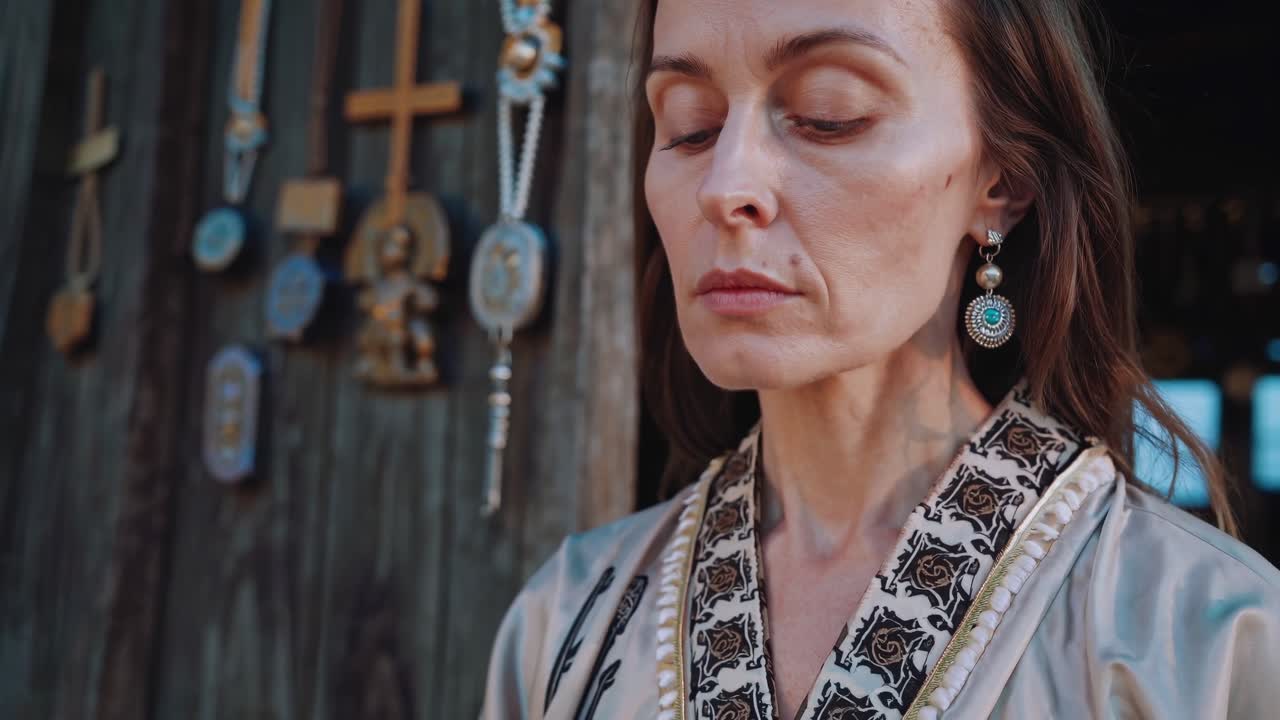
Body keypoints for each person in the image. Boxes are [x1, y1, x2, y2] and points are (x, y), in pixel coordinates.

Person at [481, 0, 1280, 717]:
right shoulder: (568, 619)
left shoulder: (1208, 637)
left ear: (1001, 179)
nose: (724, 187)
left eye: (831, 114)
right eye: (690, 125)